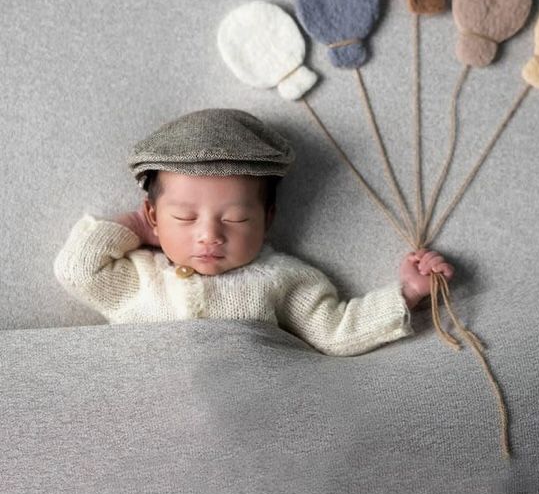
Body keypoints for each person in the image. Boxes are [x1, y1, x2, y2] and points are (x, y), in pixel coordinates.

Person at [54, 108, 454, 356]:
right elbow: (77, 270)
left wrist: (408, 293)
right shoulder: (137, 279)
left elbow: (335, 331)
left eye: (236, 219)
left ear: (268, 218)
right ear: (154, 216)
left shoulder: (281, 279)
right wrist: (134, 227)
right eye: (184, 218)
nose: (209, 235)